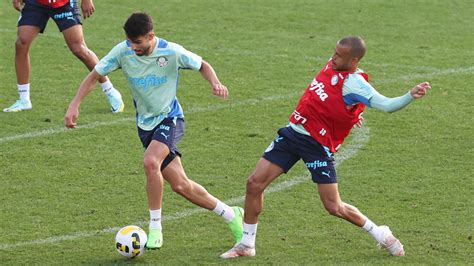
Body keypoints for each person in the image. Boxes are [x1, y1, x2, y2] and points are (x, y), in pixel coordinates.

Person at [220, 36, 431, 259]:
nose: (333, 57)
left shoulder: (354, 83)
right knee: (254, 184)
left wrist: (409, 96)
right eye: (334, 52)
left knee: (333, 206)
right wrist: (353, 113)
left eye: (340, 55)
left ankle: (380, 233)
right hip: (293, 133)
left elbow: (386, 105)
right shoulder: (333, 65)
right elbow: (330, 100)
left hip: (317, 146)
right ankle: (246, 244)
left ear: (354, 60)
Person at [64, 12, 243, 249]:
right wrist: (74, 104)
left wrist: (216, 83)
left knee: (150, 163)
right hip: (145, 126)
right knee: (181, 185)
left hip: (171, 118)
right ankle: (232, 214)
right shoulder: (123, 51)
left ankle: (155, 227)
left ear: (151, 36)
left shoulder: (171, 52)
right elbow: (95, 75)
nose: (133, 47)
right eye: (129, 42)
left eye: (137, 42)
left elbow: (203, 65)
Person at [4, 0, 124, 113]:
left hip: (63, 3)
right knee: (21, 43)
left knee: (78, 48)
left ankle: (110, 91)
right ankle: (24, 99)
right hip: (36, 2)